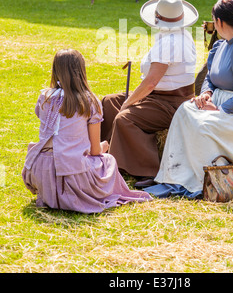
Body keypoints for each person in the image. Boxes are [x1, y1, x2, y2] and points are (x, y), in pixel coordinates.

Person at [144, 0, 233, 199]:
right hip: (220, 103)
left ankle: (202, 178)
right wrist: (206, 94)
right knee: (185, 111)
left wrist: (221, 110)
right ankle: (176, 174)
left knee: (204, 127)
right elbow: (210, 78)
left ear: (219, 21)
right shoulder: (220, 45)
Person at [22, 49, 152, 213]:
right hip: (71, 174)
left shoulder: (44, 97)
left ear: (55, 71)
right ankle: (77, 196)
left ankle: (53, 196)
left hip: (40, 171)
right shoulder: (89, 101)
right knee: (108, 160)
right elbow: (94, 150)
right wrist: (104, 146)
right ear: (81, 71)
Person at [101, 0, 198, 188]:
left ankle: (149, 170)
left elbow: (151, 83)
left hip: (170, 103)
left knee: (125, 117)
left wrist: (129, 103)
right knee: (109, 101)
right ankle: (104, 153)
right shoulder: (176, 34)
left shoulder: (172, 41)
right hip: (157, 97)